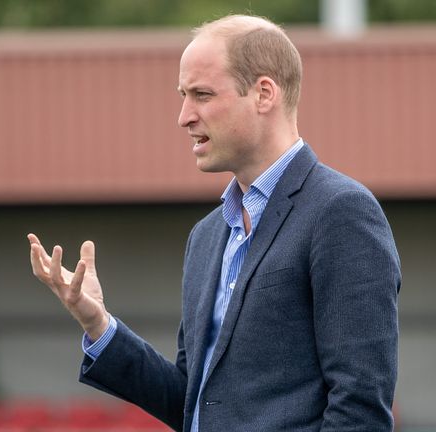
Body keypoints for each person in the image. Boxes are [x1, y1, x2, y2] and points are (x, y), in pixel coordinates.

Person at [29, 14, 400, 432]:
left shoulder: (341, 212)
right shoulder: (206, 236)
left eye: (202, 94)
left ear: (263, 94)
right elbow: (192, 401)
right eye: (183, 95)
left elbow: (360, 410)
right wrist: (98, 324)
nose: (184, 116)